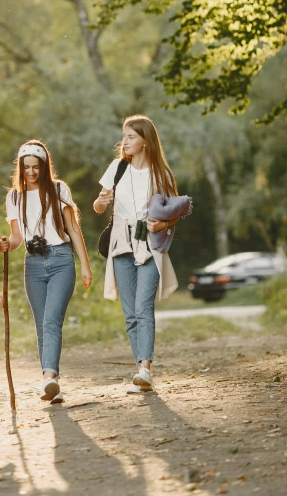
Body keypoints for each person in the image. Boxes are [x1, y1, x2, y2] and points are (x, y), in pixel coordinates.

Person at [0, 141, 92, 404]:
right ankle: (51, 384)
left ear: (43, 166)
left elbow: (73, 228)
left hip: (61, 258)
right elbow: (18, 238)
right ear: (20, 168)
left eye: (35, 167)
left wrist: (85, 265)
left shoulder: (59, 189)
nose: (31, 172)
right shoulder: (14, 197)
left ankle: (49, 378)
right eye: (26, 167)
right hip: (34, 263)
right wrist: (8, 244)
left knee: (51, 321)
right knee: (42, 327)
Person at [93, 115, 180, 394]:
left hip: (150, 245)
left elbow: (174, 213)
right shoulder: (117, 168)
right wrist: (100, 202)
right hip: (121, 243)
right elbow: (98, 205)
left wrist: (162, 224)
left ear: (145, 140)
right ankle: (140, 372)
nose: (125, 141)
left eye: (131, 136)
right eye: (125, 136)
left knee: (143, 308)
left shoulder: (161, 174)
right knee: (130, 313)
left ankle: (145, 369)